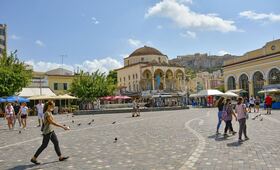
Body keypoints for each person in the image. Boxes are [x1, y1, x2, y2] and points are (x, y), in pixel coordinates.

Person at [31, 100, 70, 165]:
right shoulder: (47, 113)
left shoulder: (49, 112)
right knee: (44, 145)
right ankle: (33, 158)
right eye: (52, 106)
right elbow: (52, 122)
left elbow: (52, 122)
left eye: (54, 106)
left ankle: (60, 157)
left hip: (51, 130)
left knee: (56, 142)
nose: (53, 107)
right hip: (47, 132)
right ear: (49, 106)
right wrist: (63, 127)